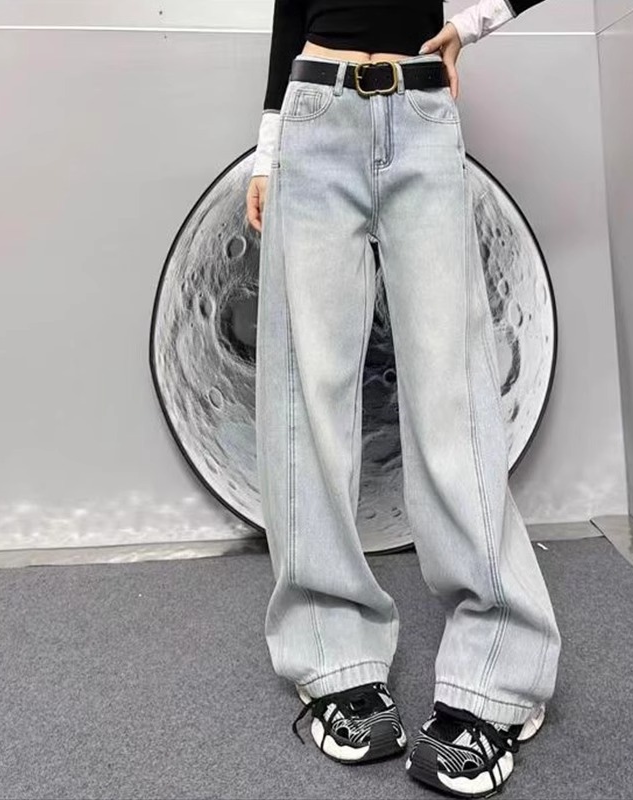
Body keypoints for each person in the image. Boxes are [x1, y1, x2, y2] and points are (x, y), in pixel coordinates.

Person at [245, 1, 559, 797]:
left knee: (452, 393)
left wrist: (478, 20)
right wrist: (268, 147)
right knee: (306, 399)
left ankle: (500, 666)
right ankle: (331, 650)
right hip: (314, 111)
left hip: (421, 112)